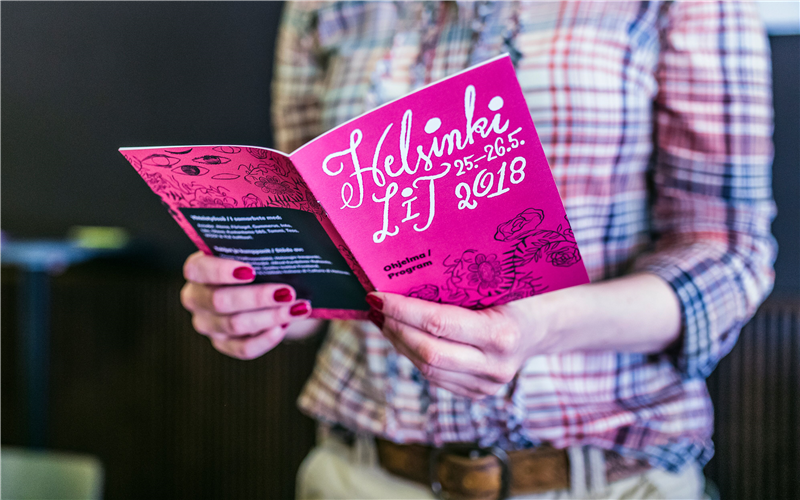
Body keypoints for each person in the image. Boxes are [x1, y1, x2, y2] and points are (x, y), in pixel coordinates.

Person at [179, 1, 776, 498]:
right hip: (359, 473)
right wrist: (267, 300)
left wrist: (543, 327)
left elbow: (727, 254)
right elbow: (322, 237)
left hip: (603, 480)